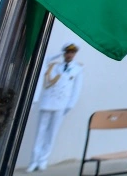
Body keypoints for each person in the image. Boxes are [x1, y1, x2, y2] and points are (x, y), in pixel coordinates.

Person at [28, 43, 85, 172]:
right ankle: (34, 161)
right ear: (64, 53)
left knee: (52, 134)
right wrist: (57, 55)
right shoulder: (54, 66)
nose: (69, 55)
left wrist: (70, 105)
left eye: (72, 52)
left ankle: (43, 160)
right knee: (40, 133)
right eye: (67, 52)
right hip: (47, 102)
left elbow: (76, 89)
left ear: (75, 54)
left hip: (61, 104)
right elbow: (43, 62)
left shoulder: (78, 69)